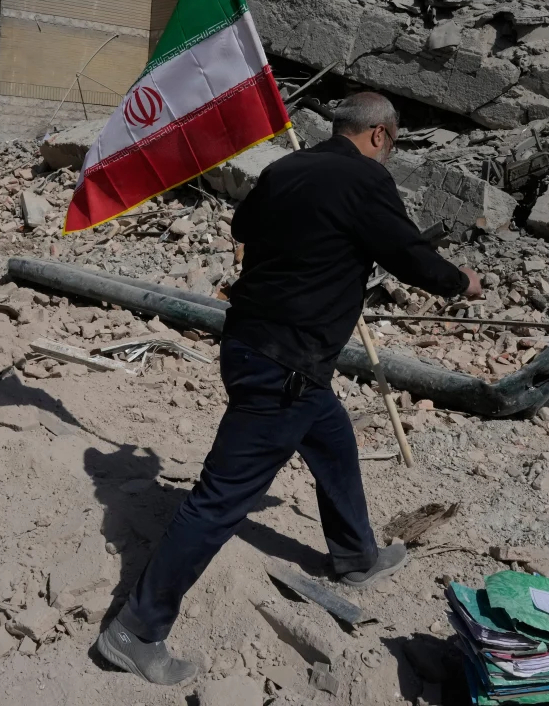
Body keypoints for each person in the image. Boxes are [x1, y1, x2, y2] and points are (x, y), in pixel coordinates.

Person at [96, 91, 481, 685]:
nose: (389, 151)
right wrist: (460, 282)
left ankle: (356, 556)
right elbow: (408, 254)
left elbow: (243, 225)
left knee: (332, 437)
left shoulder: (285, 167)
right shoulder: (366, 180)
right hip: (287, 366)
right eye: (393, 142)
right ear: (379, 135)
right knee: (219, 499)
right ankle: (135, 630)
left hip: (251, 345)